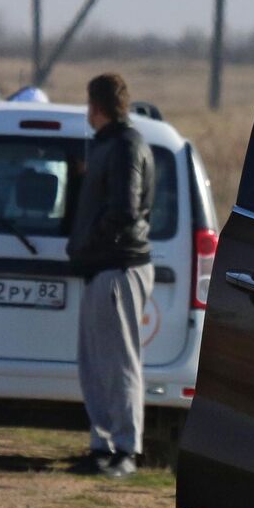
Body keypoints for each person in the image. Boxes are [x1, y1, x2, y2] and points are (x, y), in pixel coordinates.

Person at [66, 73, 155, 478]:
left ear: (96, 106)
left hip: (118, 266)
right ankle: (102, 444)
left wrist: (94, 241)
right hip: (101, 266)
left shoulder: (125, 146)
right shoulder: (107, 145)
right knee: (96, 363)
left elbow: (124, 209)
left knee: (119, 362)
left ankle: (126, 450)